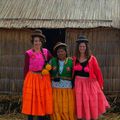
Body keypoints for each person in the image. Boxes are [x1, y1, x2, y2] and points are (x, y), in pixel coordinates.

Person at [73, 36, 110, 120]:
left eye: (83, 46)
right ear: (78, 48)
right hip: (78, 83)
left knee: (90, 101)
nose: (82, 48)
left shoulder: (92, 59)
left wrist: (101, 84)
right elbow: (73, 72)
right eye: (80, 46)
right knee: (81, 101)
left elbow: (98, 72)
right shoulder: (75, 58)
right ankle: (82, 117)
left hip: (90, 83)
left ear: (86, 47)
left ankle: (91, 117)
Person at [22, 29, 53, 120]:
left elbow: (52, 60)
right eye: (35, 41)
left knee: (41, 98)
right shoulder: (29, 53)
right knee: (31, 99)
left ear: (41, 42)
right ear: (33, 42)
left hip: (43, 78)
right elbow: (26, 67)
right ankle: (30, 117)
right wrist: (25, 79)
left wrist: (48, 67)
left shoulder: (46, 52)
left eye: (39, 41)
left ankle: (41, 117)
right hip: (31, 77)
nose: (37, 43)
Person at [50, 42, 75, 120]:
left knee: (66, 105)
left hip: (67, 88)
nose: (60, 53)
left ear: (65, 52)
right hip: (55, 88)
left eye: (62, 51)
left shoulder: (71, 61)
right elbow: (46, 70)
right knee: (56, 105)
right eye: (58, 52)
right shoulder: (52, 61)